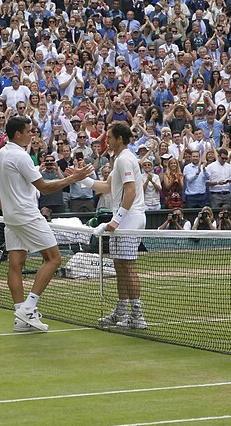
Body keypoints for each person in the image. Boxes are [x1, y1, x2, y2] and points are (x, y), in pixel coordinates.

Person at [0, 116, 94, 332]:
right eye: (29, 131)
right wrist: (73, 178)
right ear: (18, 134)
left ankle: (21, 319)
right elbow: (44, 187)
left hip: (12, 217)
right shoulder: (21, 157)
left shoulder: (1, 153)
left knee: (16, 264)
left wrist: (6, 208)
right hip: (27, 215)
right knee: (54, 258)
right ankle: (28, 307)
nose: (32, 134)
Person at [81, 121, 147, 329]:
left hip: (131, 217)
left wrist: (116, 220)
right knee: (119, 266)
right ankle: (121, 311)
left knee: (127, 266)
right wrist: (81, 179)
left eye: (109, 137)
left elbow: (131, 192)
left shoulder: (125, 159)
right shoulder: (119, 160)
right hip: (125, 217)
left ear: (119, 139)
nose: (106, 141)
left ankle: (137, 316)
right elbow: (108, 187)